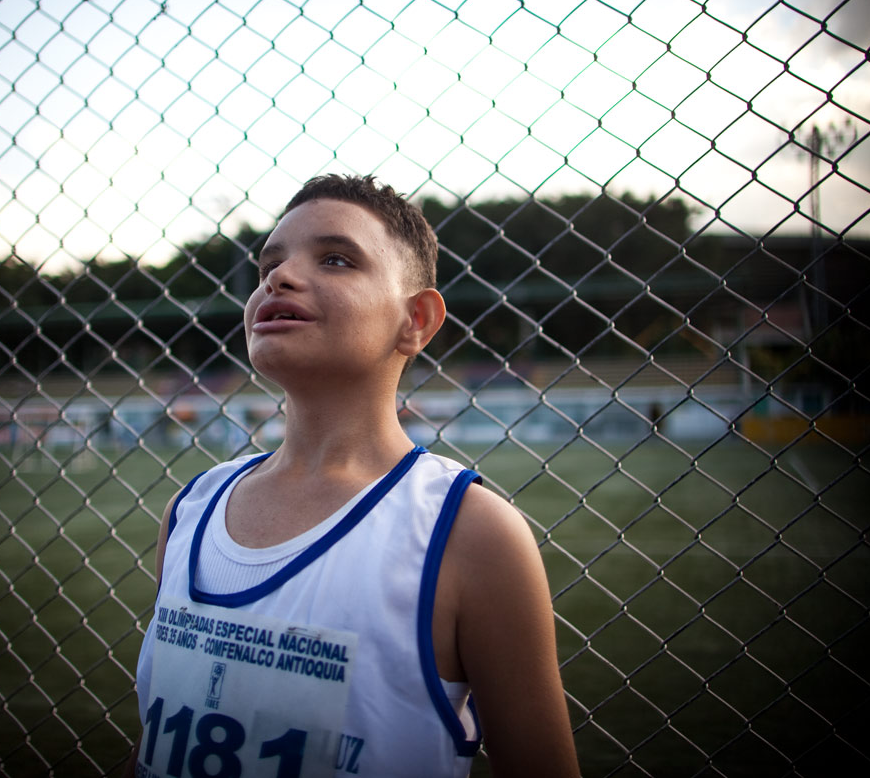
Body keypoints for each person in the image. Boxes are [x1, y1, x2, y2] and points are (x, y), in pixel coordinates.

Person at [126, 175, 579, 778]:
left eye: (336, 259)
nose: (277, 278)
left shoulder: (470, 534)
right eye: (270, 263)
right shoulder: (190, 510)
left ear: (415, 319)